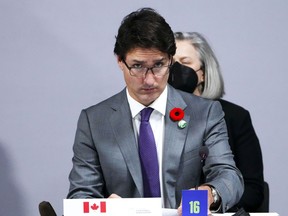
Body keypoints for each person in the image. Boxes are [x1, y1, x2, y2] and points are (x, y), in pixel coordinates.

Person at [67, 8, 244, 214]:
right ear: (120, 61)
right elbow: (81, 194)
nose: (149, 80)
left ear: (170, 60)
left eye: (159, 65)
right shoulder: (94, 121)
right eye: (138, 66)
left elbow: (229, 176)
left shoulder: (204, 113)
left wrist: (209, 193)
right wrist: (104, 209)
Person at [169, 31, 264, 212]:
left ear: (203, 73)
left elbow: (253, 189)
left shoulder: (235, 117)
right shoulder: (153, 115)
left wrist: (214, 199)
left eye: (185, 62)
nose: (176, 70)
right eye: (171, 63)